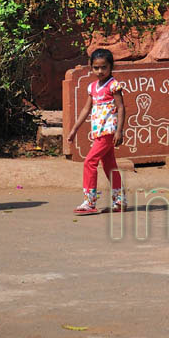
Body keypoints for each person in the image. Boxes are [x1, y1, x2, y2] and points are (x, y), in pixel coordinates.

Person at [67, 47, 126, 214]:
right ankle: (119, 200)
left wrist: (119, 131)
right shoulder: (92, 87)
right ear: (90, 67)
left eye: (104, 67)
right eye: (96, 67)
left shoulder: (113, 85)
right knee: (109, 166)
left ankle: (90, 201)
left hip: (108, 132)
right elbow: (86, 109)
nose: (100, 71)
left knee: (89, 162)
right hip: (98, 132)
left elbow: (121, 108)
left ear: (111, 67)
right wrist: (74, 130)